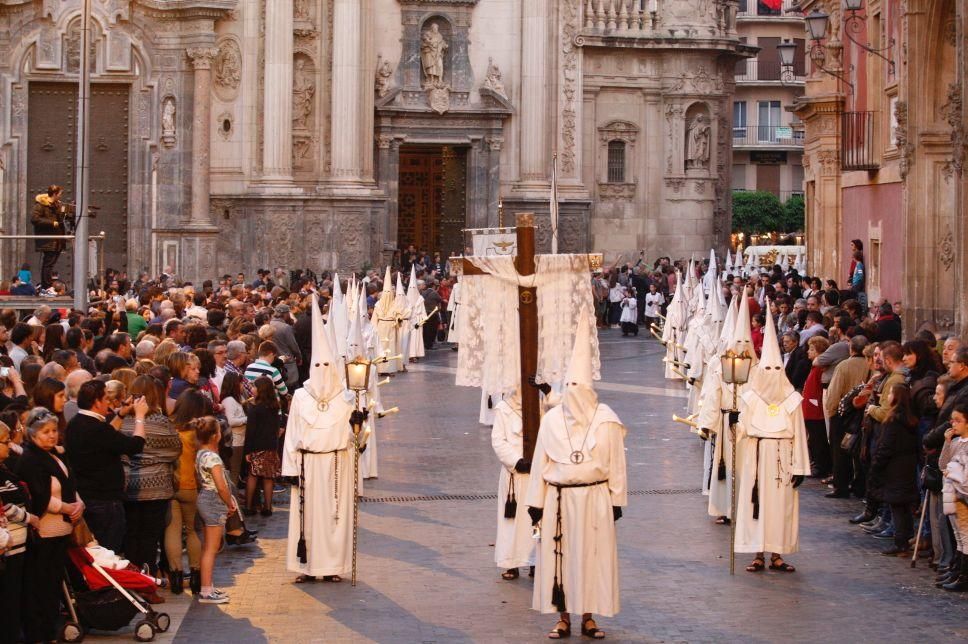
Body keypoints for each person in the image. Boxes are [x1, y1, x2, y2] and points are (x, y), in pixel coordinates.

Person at [526, 306, 627, 640]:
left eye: (578, 386)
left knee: (593, 558)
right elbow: (542, 461)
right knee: (561, 556)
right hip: (559, 499)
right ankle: (563, 616)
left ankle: (589, 616)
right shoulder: (552, 421)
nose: (574, 394)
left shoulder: (607, 419)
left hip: (596, 496)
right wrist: (535, 503)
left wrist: (617, 500)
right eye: (568, 386)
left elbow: (616, 463)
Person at [282, 293, 360, 584]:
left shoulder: (345, 398)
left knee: (333, 518)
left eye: (327, 366)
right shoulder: (301, 397)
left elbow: (357, 438)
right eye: (318, 366)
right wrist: (289, 469)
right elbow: (292, 435)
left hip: (336, 464)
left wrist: (358, 425)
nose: (322, 372)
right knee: (307, 519)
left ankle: (331, 566)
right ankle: (306, 567)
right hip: (307, 466)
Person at [735, 308, 810, 574]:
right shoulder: (750, 400)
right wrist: (737, 428)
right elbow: (743, 431)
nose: (771, 372)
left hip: (782, 461)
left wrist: (801, 467)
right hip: (757, 458)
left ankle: (777, 554)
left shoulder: (792, 401)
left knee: (780, 509)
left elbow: (800, 436)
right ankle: (757, 553)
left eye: (776, 368)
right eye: (767, 367)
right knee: (758, 506)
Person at [17, 408, 84, 643]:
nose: (52, 436)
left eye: (54, 431)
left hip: (61, 530)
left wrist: (79, 505)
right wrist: (68, 508)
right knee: (40, 586)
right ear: (33, 434)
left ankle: (50, 630)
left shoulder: (56, 455)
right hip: (44, 531)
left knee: (53, 584)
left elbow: (69, 483)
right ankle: (40, 634)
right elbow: (39, 494)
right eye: (46, 432)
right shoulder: (30, 459)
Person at [63, 380, 148, 552]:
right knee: (107, 551)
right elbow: (135, 446)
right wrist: (140, 417)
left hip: (87, 496)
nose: (109, 403)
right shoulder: (96, 429)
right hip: (105, 501)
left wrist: (121, 414)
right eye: (106, 399)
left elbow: (107, 438)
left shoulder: (74, 424)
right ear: (96, 402)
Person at [121, 375, 180, 574]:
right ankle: (149, 579)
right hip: (156, 487)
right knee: (150, 537)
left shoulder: (122, 421)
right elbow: (175, 449)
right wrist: (154, 457)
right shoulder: (161, 422)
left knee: (131, 535)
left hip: (128, 485)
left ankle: (135, 578)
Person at [165, 389, 210, 595]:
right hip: (191, 487)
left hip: (171, 485)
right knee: (192, 531)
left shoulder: (169, 428)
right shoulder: (197, 433)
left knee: (172, 531)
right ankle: (195, 575)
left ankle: (175, 577)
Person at [868, 383, 921, 556]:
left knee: (897, 505)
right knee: (904, 505)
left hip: (894, 467)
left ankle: (901, 542)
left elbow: (886, 446)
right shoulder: (911, 419)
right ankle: (906, 538)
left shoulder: (893, 420)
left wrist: (877, 464)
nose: (888, 396)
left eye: (890, 393)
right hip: (907, 466)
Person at [0, 421, 39, 644]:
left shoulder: (6, 469)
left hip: (17, 546)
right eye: (6, 442)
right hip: (7, 548)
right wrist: (29, 518)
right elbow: (4, 505)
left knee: (15, 600)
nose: (9, 446)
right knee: (8, 602)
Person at [491, 388, 535, 581]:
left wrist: (548, 391)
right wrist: (516, 461)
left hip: (535, 473)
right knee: (512, 521)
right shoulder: (503, 408)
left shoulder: (540, 405)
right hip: (514, 475)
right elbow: (498, 440)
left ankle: (535, 560)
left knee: (535, 518)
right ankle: (511, 562)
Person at [192, 416, 237, 604]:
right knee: (212, 548)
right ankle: (206, 591)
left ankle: (207, 587)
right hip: (213, 500)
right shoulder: (213, 457)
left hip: (203, 497)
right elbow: (221, 485)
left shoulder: (200, 453)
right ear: (214, 436)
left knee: (206, 547)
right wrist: (229, 503)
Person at [243, 376, 283, 517]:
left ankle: (248, 506)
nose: (252, 389)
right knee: (268, 478)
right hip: (271, 446)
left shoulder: (255, 408)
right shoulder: (274, 406)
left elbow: (251, 431)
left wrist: (247, 450)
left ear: (261, 390)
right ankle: (267, 507)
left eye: (254, 387)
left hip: (257, 446)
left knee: (253, 476)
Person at [940, 402, 968, 591]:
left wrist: (953, 474)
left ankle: (963, 577)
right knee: (958, 535)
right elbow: (942, 463)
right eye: (953, 420)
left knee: (965, 537)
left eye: (958, 421)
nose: (954, 424)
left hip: (962, 495)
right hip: (951, 494)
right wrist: (947, 442)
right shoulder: (957, 442)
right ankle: (957, 570)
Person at [802, 336, 832, 479]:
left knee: (818, 440)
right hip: (811, 408)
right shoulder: (814, 368)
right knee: (814, 439)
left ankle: (821, 466)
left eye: (812, 349)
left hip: (816, 410)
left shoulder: (820, 368)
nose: (809, 352)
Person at [30, 185, 67, 288]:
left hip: (56, 239)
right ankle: (46, 286)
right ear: (55, 194)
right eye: (60, 194)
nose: (61, 196)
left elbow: (60, 219)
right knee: (48, 264)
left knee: (50, 264)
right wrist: (52, 223)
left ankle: (47, 285)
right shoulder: (41, 205)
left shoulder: (56, 205)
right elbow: (34, 219)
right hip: (48, 239)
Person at [220, 371, 248, 485]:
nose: (242, 386)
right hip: (234, 441)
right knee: (233, 473)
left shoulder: (238, 398)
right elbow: (230, 421)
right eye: (240, 384)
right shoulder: (229, 400)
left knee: (236, 472)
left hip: (240, 440)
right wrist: (246, 419)